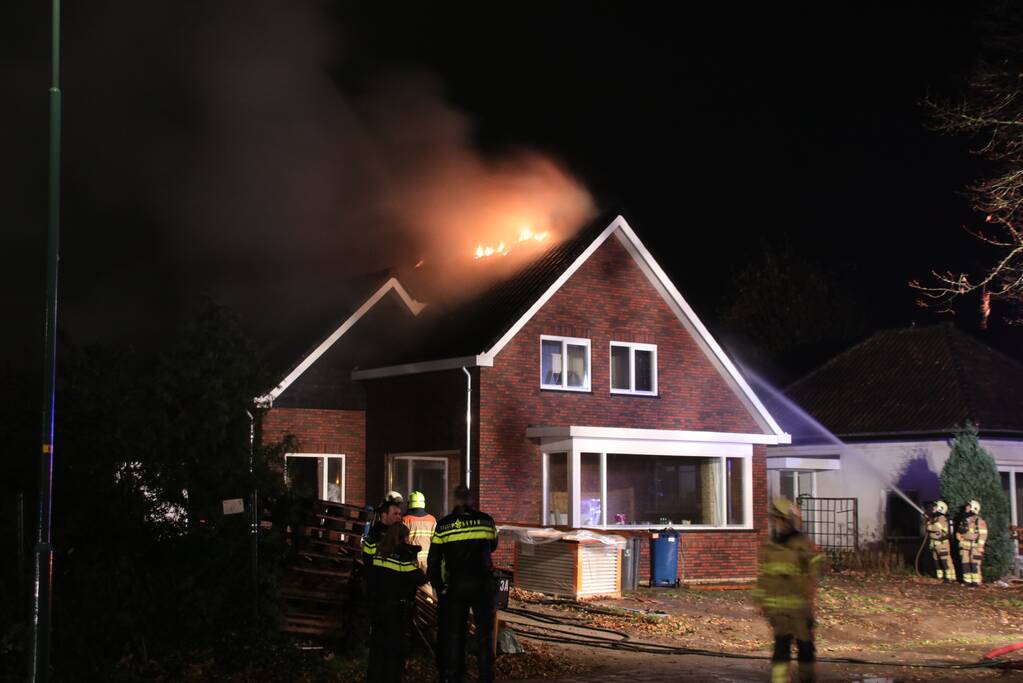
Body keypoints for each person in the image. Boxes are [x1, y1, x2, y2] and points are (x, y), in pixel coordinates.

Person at [428, 485, 499, 683]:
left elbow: (434, 559)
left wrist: (438, 585)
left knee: (455, 634)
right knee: (485, 636)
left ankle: (455, 676)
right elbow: (493, 546)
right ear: (471, 500)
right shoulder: (486, 520)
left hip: (456, 587)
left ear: (455, 500)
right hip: (483, 585)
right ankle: (486, 677)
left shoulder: (444, 525)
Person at [754, 497, 825, 683]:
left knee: (806, 648)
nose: (778, 523)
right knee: (780, 649)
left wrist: (810, 591)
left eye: (781, 519)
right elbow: (764, 577)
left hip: (800, 608)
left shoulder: (803, 544)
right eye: (776, 520)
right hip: (778, 610)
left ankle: (807, 679)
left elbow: (816, 568)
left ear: (789, 520)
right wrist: (761, 601)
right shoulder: (770, 546)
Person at [366, 522, 428, 682]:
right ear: (403, 538)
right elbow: (418, 579)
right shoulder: (404, 556)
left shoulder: (379, 553)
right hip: (396, 612)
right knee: (394, 653)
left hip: (377, 608)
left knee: (377, 652)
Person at [402, 490, 437, 571]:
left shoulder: (405, 520)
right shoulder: (432, 520)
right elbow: (435, 543)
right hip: (427, 562)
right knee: (427, 583)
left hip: (410, 561)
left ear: (409, 504)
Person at [956, 499, 988, 587]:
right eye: (967, 506)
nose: (966, 508)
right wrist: (960, 537)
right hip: (965, 546)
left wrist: (980, 546)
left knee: (975, 564)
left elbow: (983, 534)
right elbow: (959, 533)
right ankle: (967, 581)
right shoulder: (964, 520)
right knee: (965, 563)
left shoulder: (979, 521)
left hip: (975, 547)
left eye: (969, 506)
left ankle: (976, 582)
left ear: (974, 508)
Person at [364, 498, 404, 564]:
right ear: (384, 516)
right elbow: (367, 558)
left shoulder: (401, 531)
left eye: (399, 514)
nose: (399, 517)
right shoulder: (375, 533)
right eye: (395, 514)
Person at [925, 500, 957, 583]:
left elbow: (934, 528)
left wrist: (928, 525)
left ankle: (949, 578)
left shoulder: (942, 519)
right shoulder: (936, 518)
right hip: (935, 544)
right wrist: (929, 519)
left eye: (935, 506)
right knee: (937, 561)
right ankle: (940, 577)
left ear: (940, 509)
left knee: (945, 561)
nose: (933, 508)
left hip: (942, 545)